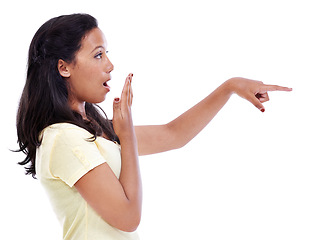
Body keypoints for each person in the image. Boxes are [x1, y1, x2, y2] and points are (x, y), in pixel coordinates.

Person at [16, 13, 292, 240]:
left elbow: (173, 135)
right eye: (98, 55)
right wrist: (127, 137)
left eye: (106, 54)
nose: (110, 65)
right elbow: (128, 217)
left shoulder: (92, 131)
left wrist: (230, 87)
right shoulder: (64, 138)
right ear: (64, 68)